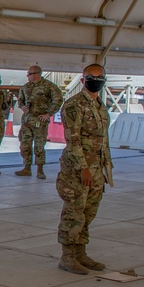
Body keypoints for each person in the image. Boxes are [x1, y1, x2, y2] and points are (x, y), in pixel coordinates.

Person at [56, 63, 112, 275]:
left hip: (97, 168)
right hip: (78, 170)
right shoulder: (74, 105)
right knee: (74, 212)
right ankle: (67, 256)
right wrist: (84, 168)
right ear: (83, 79)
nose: (95, 80)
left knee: (89, 212)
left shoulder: (99, 106)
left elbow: (103, 140)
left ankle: (81, 253)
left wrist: (105, 167)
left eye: (99, 77)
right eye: (91, 77)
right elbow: (73, 140)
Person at [15, 65, 63, 179]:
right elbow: (20, 100)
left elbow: (58, 99)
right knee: (25, 145)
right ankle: (26, 168)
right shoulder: (25, 87)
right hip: (27, 121)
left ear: (36, 74)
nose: (28, 76)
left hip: (40, 121)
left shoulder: (49, 86)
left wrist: (49, 114)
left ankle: (40, 169)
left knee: (39, 146)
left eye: (29, 74)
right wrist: (22, 107)